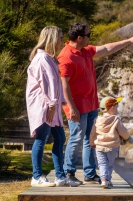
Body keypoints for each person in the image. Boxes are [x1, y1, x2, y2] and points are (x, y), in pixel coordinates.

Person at [57, 23, 133, 184]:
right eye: (88, 35)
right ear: (80, 38)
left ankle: (89, 173)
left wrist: (129, 41)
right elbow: (64, 85)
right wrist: (72, 108)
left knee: (92, 139)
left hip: (91, 105)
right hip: (77, 107)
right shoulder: (66, 56)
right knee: (76, 138)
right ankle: (68, 173)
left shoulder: (86, 51)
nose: (90, 37)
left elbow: (108, 48)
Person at [26, 26, 79, 187]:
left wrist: (60, 102)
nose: (63, 41)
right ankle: (36, 176)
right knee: (41, 138)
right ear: (52, 39)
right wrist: (51, 105)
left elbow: (55, 84)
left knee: (60, 138)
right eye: (61, 37)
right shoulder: (42, 59)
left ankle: (60, 177)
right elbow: (46, 84)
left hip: (52, 106)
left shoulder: (49, 58)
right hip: (43, 106)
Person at [90, 97, 133, 188]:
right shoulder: (116, 119)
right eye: (117, 107)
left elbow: (92, 132)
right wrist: (128, 138)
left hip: (99, 147)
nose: (117, 109)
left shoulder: (97, 119)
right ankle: (108, 180)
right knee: (109, 165)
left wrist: (92, 142)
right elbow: (123, 131)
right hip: (112, 147)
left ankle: (103, 179)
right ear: (112, 108)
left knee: (102, 164)